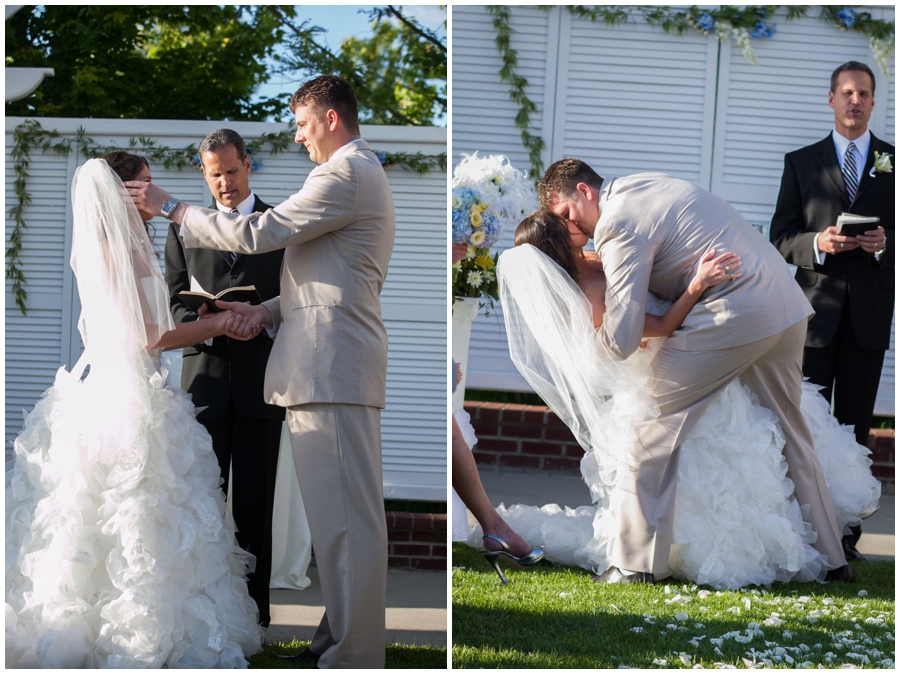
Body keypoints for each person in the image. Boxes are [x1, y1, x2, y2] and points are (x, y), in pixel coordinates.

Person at [125, 75, 394, 668]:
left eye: (301, 125)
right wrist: (262, 310)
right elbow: (323, 283)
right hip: (325, 369)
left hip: (334, 370)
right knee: (337, 524)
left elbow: (260, 233)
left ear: (328, 118)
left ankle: (354, 656)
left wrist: (170, 206)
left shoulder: (345, 172)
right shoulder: (352, 174)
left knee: (349, 526)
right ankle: (337, 642)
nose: (298, 138)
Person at [492, 210, 880, 589]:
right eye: (563, 223)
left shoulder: (599, 255)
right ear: (557, 242)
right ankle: (653, 556)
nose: (574, 221)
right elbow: (658, 326)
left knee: (764, 441)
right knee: (669, 455)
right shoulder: (589, 293)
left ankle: (815, 548)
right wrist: (696, 286)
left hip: (705, 352)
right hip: (673, 366)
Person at [5, 157, 263, 667]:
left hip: (103, 389)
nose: (153, 190)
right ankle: (145, 630)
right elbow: (151, 336)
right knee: (141, 512)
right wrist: (221, 323)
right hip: (134, 398)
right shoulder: (126, 248)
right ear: (126, 191)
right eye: (145, 182)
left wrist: (206, 314)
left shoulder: (104, 246)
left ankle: (94, 627)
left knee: (103, 513)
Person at [770, 60, 894, 563]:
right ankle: (803, 524)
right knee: (808, 427)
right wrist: (817, 243)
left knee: (855, 428)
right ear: (831, 99)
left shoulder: (894, 161)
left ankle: (844, 535)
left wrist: (885, 244)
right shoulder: (801, 162)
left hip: (867, 321)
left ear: (872, 101)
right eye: (847, 92)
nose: (855, 101)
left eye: (864, 93)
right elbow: (779, 238)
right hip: (814, 317)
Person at [164, 129, 284, 627]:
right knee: (203, 507)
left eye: (232, 171)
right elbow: (171, 304)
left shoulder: (281, 224)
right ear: (204, 173)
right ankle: (205, 618)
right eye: (214, 175)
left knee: (254, 509)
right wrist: (213, 320)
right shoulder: (184, 228)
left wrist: (259, 317)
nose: (224, 183)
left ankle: (254, 618)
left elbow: (297, 302)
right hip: (205, 382)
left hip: (263, 383)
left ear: (248, 164)